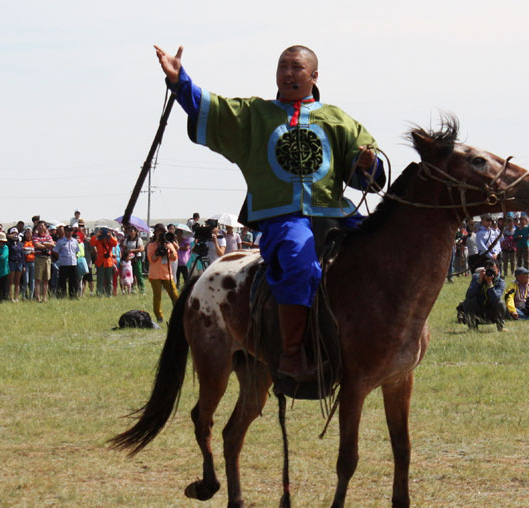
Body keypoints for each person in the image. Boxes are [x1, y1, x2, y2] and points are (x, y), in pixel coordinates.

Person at [156, 43, 383, 380]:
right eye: (283, 67)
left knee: (385, 245)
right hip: (284, 216)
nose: (288, 73)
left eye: (296, 68)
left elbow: (369, 176)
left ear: (314, 75)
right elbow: (211, 108)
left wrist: (367, 163)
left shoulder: (338, 119)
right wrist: (180, 82)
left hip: (335, 211)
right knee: (297, 255)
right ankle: (292, 354)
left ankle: (384, 341)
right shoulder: (254, 116)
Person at [458, 259, 506, 331]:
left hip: (492, 311)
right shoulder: (477, 278)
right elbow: (469, 295)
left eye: (493, 270)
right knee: (468, 302)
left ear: (498, 270)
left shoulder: (500, 282)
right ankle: (472, 326)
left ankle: (500, 326)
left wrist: (490, 284)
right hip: (479, 308)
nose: (491, 273)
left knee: (501, 303)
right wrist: (479, 281)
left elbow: (495, 299)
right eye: (488, 270)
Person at [146, 223, 179, 323]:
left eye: (162, 233)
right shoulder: (151, 245)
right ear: (155, 234)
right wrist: (158, 252)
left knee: (175, 295)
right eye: (158, 233)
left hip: (167, 274)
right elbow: (151, 259)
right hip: (155, 274)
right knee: (157, 296)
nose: (160, 235)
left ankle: (178, 314)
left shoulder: (169, 244)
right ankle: (159, 316)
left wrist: (169, 250)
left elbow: (174, 258)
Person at [53, 226, 80, 298]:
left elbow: (77, 251)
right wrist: (61, 258)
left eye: (71, 231)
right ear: (65, 231)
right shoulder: (60, 241)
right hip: (64, 264)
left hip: (73, 263)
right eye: (68, 231)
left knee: (73, 281)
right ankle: (62, 295)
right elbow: (56, 251)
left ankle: (73, 295)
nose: (70, 232)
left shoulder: (75, 241)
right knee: (62, 281)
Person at [90, 227, 118, 295]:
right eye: (103, 237)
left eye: (105, 237)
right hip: (100, 263)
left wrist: (110, 235)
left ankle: (109, 294)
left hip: (109, 263)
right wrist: (97, 235)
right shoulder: (98, 241)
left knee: (109, 280)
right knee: (100, 280)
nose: (104, 239)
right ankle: (99, 293)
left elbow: (115, 243)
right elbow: (92, 242)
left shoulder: (110, 242)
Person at [32, 221, 54, 302]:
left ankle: (44, 297)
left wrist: (42, 243)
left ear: (45, 227)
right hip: (39, 258)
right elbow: (36, 245)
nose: (40, 227)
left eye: (42, 225)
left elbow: (52, 244)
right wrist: (46, 245)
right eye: (39, 226)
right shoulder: (35, 236)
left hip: (47, 259)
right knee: (38, 279)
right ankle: (38, 297)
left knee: (46, 279)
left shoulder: (48, 236)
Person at [124, 226, 145, 294]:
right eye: (129, 230)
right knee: (131, 275)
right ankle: (133, 289)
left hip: (136, 259)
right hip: (129, 260)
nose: (130, 232)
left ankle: (142, 289)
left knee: (138, 274)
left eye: (132, 230)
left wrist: (133, 250)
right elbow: (124, 248)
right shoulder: (127, 240)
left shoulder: (139, 240)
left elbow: (142, 249)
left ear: (136, 231)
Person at [6, 228, 24, 302]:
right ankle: (11, 297)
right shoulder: (8, 243)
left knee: (17, 281)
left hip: (19, 263)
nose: (15, 234)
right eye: (13, 233)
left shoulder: (20, 243)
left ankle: (16, 297)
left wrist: (24, 265)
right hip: (11, 262)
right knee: (10, 281)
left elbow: (22, 254)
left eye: (16, 233)